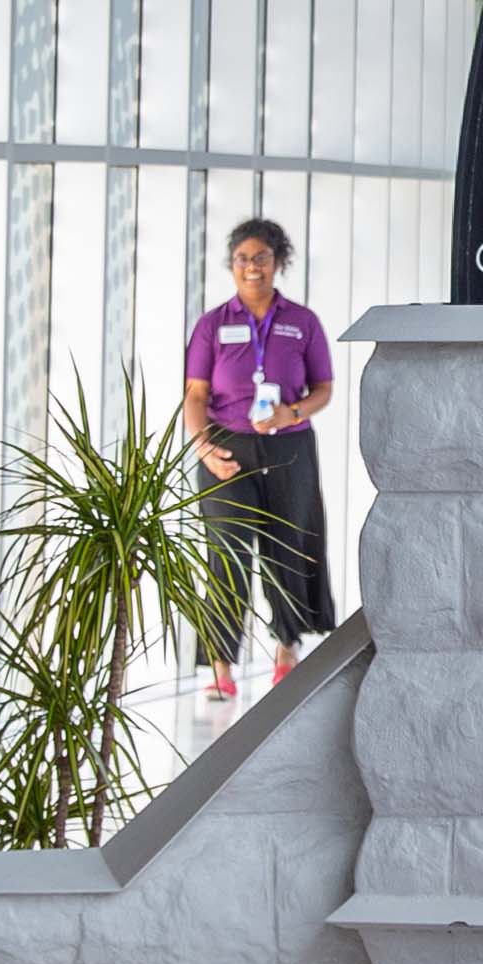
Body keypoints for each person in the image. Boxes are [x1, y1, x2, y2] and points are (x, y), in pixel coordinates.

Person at [182, 218, 338, 702]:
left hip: (288, 446)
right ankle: (221, 666)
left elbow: (324, 390)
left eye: (261, 258)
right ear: (232, 266)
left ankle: (286, 648)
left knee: (286, 545)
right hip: (226, 447)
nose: (252, 268)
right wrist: (204, 448)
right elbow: (195, 394)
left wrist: (292, 411)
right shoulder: (214, 324)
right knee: (227, 552)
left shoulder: (302, 321)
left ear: (278, 262)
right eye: (243, 260)